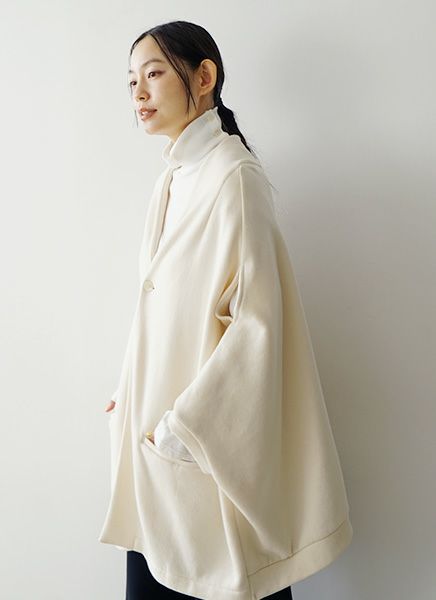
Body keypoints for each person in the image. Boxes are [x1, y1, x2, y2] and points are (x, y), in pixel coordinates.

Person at [99, 20, 352, 600]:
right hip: (154, 438)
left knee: (221, 576)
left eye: (154, 74)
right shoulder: (171, 181)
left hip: (197, 445)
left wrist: (182, 428)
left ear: (204, 76)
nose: (139, 93)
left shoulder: (233, 178)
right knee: (161, 568)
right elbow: (162, 308)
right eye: (131, 81)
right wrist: (130, 388)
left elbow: (258, 327)